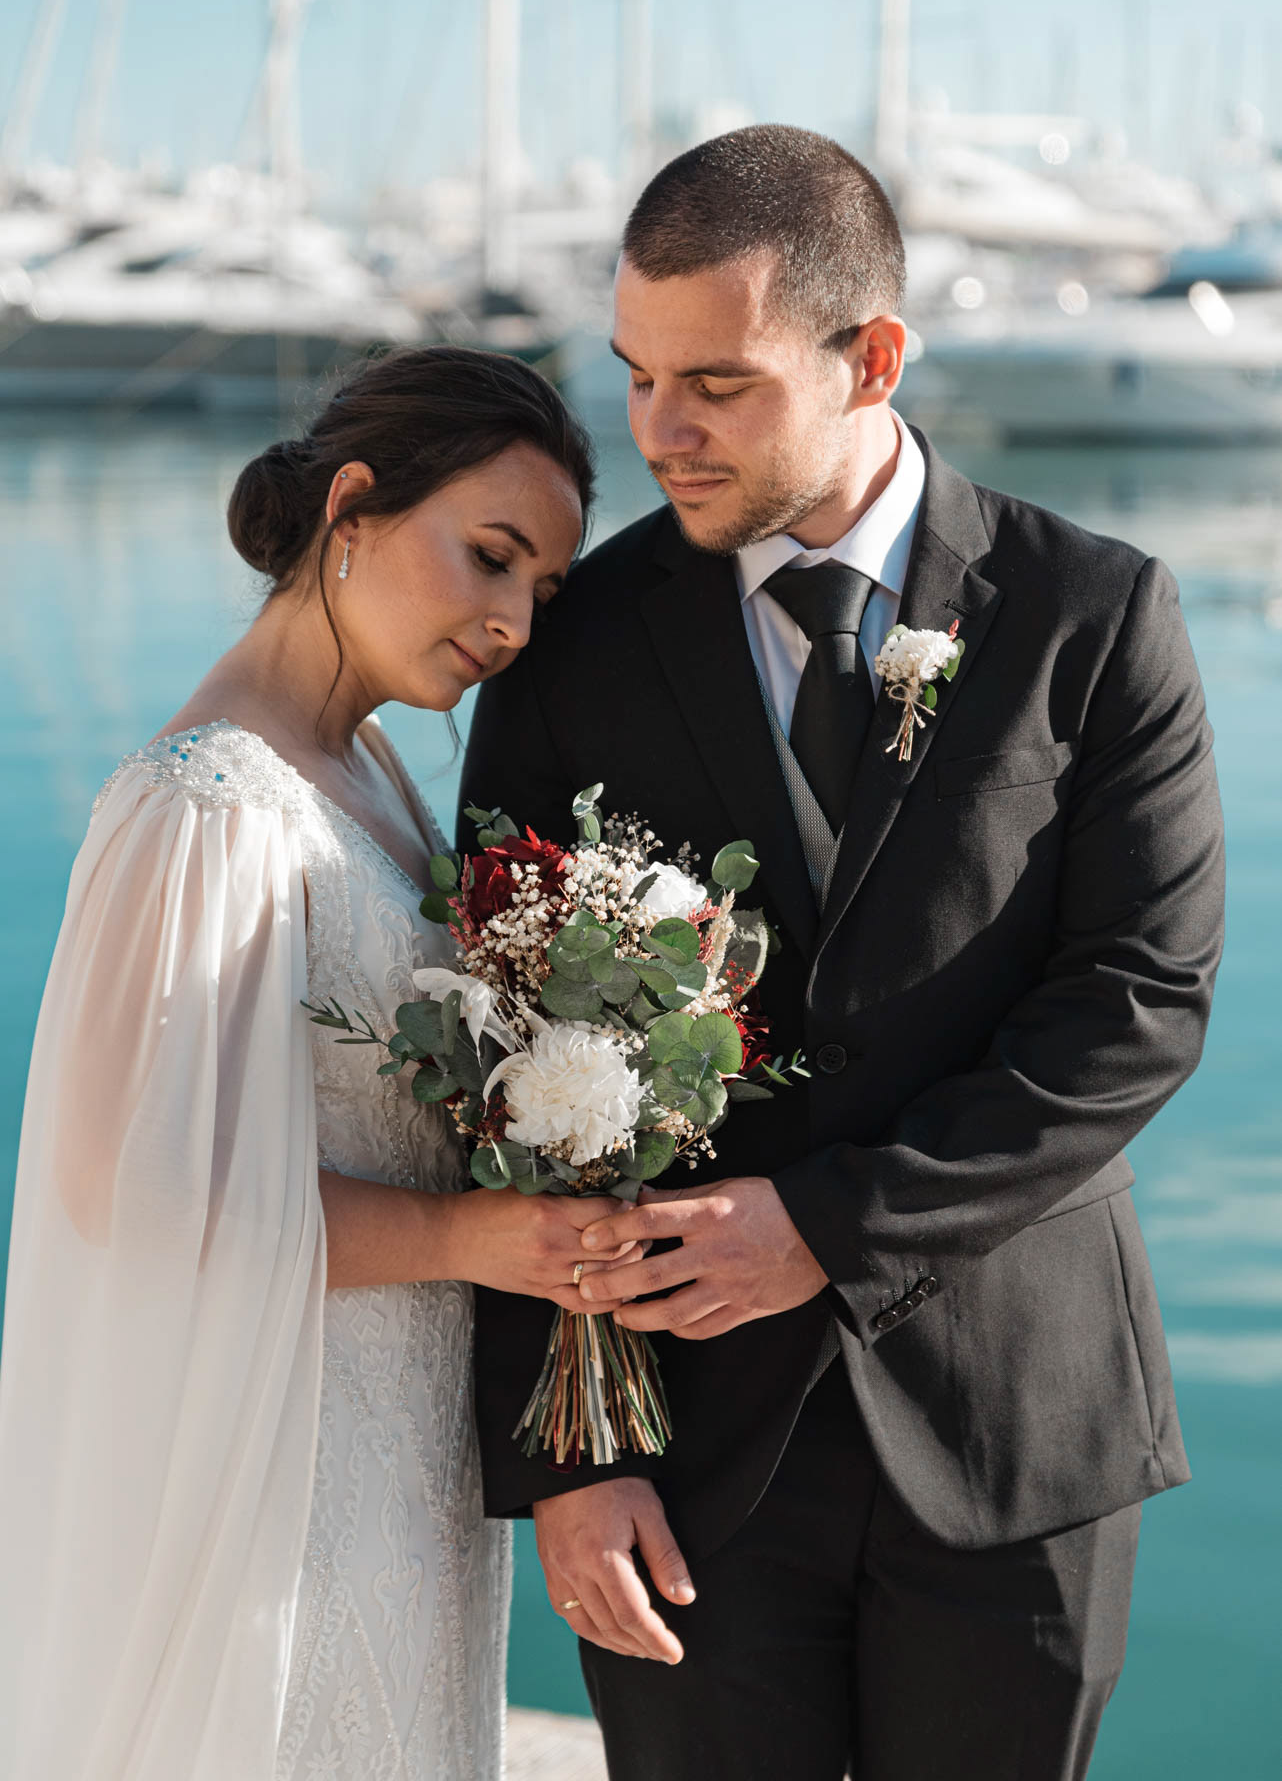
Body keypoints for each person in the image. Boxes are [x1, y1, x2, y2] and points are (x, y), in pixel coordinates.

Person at [459, 127, 1227, 1781]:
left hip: (1016, 1427)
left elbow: (1136, 1009)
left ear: (868, 356)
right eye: (635, 375)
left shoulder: (1093, 615)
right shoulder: (566, 648)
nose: (656, 431)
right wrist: (569, 1449)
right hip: (678, 1453)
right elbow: (499, 1054)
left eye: (715, 385)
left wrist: (823, 1225)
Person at [0, 346, 640, 1781]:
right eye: (487, 556)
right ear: (351, 507)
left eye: (537, 588)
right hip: (276, 1453)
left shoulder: (374, 773)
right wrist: (478, 1235)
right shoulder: (208, 804)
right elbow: (132, 1192)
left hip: (402, 1443)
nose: (513, 621)